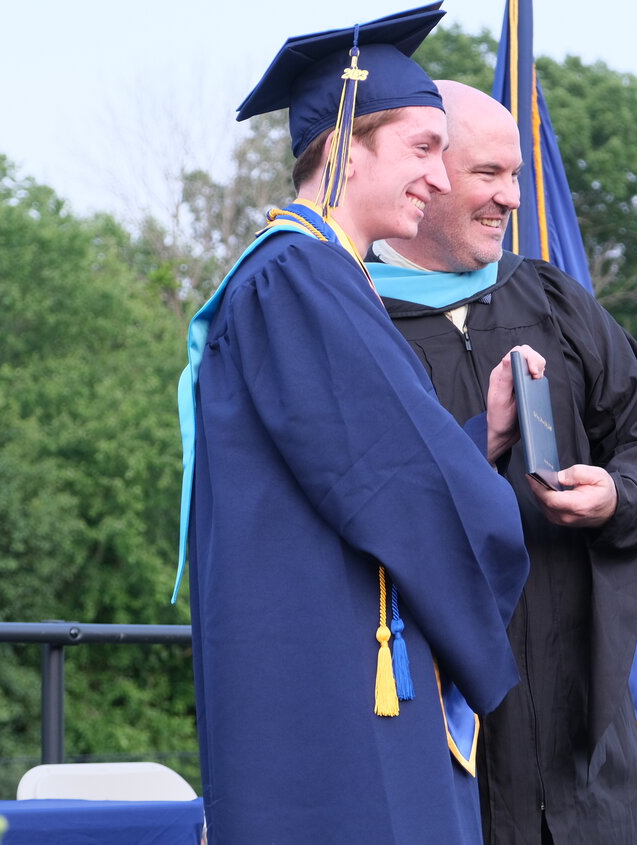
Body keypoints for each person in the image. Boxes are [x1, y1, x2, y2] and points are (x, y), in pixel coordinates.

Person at [173, 7, 540, 842]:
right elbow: (393, 478)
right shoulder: (296, 277)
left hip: (332, 658)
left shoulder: (317, 275)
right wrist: (498, 517)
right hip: (331, 674)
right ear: (343, 148)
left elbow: (363, 461)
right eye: (420, 149)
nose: (440, 179)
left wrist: (477, 436)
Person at [367, 81, 637, 844]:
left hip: (583, 733)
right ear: (429, 170)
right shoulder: (359, 316)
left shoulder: (554, 301)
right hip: (443, 728)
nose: (512, 198)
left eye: (516, 176)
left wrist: (618, 493)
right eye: (490, 175)